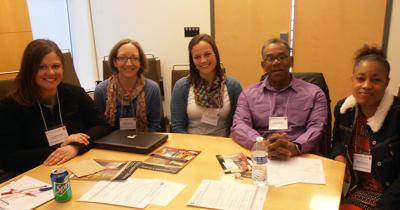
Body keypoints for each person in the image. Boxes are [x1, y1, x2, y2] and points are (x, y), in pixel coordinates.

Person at [0, 39, 111, 179]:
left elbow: (102, 126)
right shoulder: (10, 106)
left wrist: (75, 146)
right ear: (29, 70)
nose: (51, 72)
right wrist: (62, 146)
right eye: (42, 67)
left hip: (76, 167)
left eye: (56, 66)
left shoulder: (75, 94)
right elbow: (8, 159)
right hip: (34, 176)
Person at [231, 38, 328, 159]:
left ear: (291, 61)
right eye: (270, 58)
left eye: (282, 57)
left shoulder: (314, 93)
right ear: (263, 65)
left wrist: (296, 147)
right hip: (262, 156)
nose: (276, 62)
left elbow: (317, 127)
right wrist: (261, 144)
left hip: (301, 156)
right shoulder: (248, 94)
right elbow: (239, 126)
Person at [332, 45, 400, 210]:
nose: (366, 85)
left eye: (376, 80)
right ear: (353, 78)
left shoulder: (397, 114)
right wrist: (339, 155)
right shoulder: (344, 110)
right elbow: (337, 141)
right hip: (360, 190)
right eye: (361, 78)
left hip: (391, 194)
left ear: (387, 82)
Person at [171, 34, 242, 137]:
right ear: (192, 60)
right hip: (191, 146)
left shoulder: (233, 86)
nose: (203, 60)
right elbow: (178, 127)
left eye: (207, 54)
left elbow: (239, 123)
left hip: (224, 145)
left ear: (216, 55)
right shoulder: (181, 87)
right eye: (197, 57)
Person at [94, 39, 161, 132]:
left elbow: (155, 125)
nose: (129, 63)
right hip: (111, 143)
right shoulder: (101, 90)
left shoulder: (152, 89)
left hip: (144, 142)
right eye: (122, 58)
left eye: (134, 58)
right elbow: (99, 126)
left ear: (140, 62)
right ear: (114, 62)